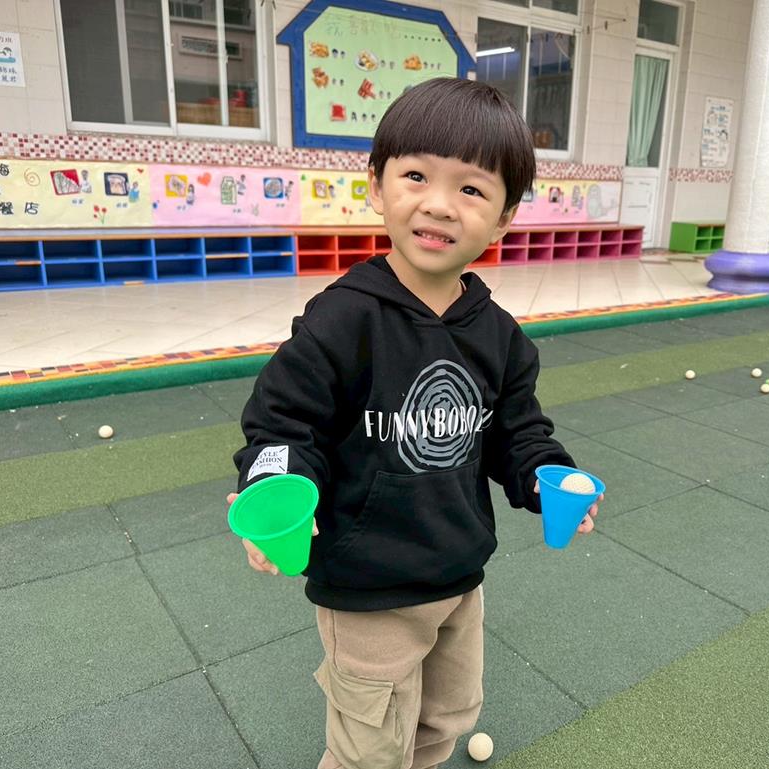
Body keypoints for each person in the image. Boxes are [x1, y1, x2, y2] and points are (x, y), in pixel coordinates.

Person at [229, 77, 603, 769]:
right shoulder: (342, 319)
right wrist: (270, 483)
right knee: (371, 748)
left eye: (472, 189)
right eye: (416, 176)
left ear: (504, 218)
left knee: (445, 718)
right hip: (366, 585)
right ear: (376, 186)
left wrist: (549, 475)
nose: (439, 203)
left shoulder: (500, 336)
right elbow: (283, 423)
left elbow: (519, 431)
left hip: (458, 572)